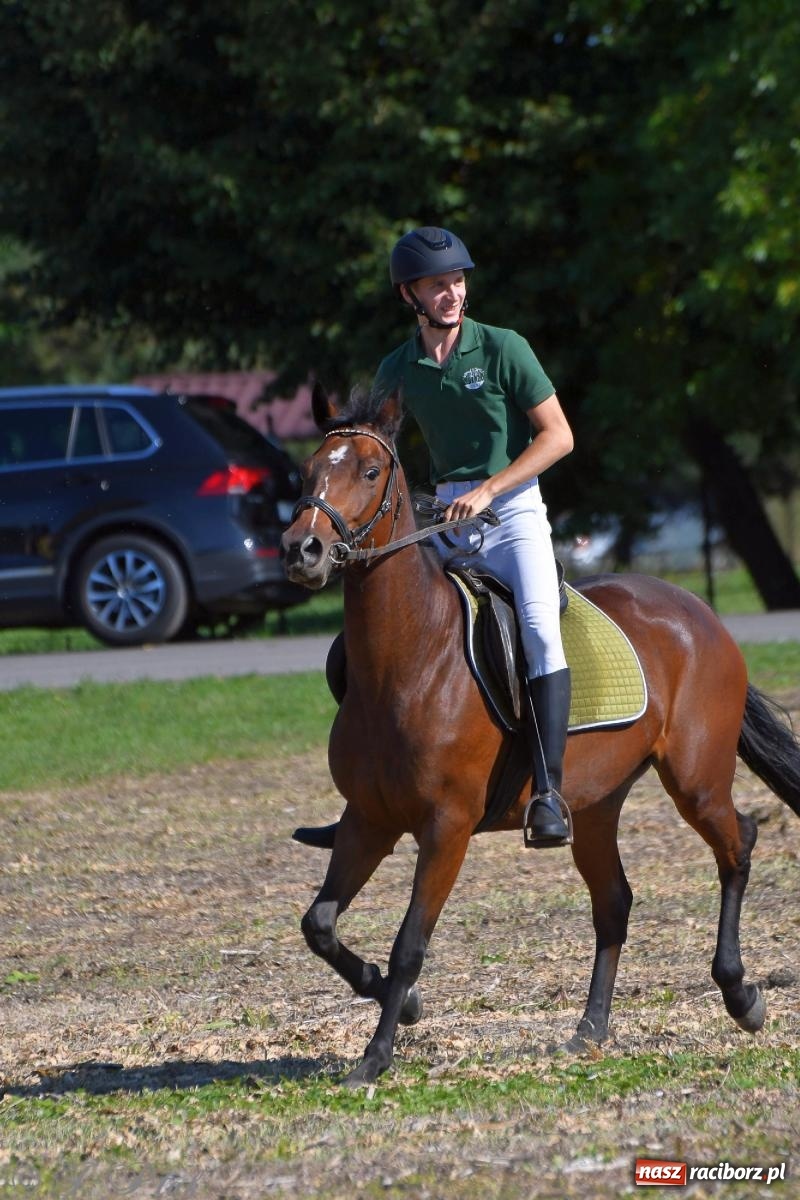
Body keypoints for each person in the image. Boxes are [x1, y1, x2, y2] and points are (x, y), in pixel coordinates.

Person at [296, 225, 574, 849]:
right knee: (361, 646)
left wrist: (491, 488)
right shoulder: (398, 368)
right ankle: (366, 800)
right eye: (437, 285)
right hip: (446, 518)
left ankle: (549, 794)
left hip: (513, 514)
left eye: (457, 281)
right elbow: (367, 449)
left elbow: (559, 436)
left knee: (537, 629)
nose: (452, 293)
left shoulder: (503, 347)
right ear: (409, 295)